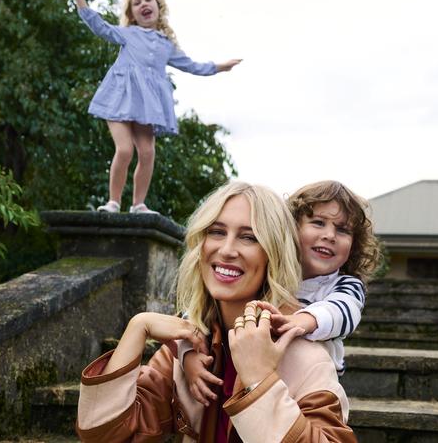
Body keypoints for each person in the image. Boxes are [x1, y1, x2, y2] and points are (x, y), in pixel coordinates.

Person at [76, 182, 356, 442]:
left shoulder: (306, 358)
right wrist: (138, 327)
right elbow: (103, 434)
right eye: (217, 232)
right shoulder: (188, 349)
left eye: (249, 237)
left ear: (274, 254)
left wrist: (260, 381)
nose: (226, 249)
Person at [183, 180, 380, 406]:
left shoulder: (345, 285)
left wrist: (300, 321)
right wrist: (188, 355)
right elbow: (195, 314)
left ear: (354, 245)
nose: (330, 235)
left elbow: (341, 311)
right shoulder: (268, 275)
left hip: (308, 386)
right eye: (318, 222)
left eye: (343, 230)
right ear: (291, 229)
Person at [66, 0, 241, 214]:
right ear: (132, 14)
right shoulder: (127, 34)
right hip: (118, 99)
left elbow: (191, 65)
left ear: (159, 8)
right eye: (136, 3)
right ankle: (113, 202)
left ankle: (138, 204)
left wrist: (219, 67)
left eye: (148, 0)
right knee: (125, 150)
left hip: (145, 107)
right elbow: (101, 27)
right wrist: (80, 0)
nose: (143, 4)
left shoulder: (165, 44)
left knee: (148, 153)